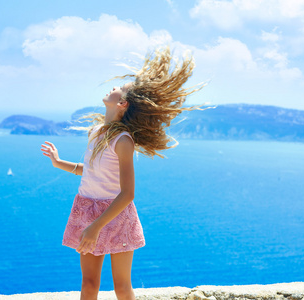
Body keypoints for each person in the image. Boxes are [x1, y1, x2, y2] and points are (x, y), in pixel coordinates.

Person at [41, 47, 206, 300]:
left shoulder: (123, 141)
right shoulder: (96, 132)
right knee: (89, 284)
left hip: (115, 215)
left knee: (121, 286)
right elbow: (93, 172)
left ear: (122, 103)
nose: (113, 87)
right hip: (87, 209)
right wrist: (59, 162)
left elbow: (128, 193)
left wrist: (95, 227)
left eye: (121, 87)